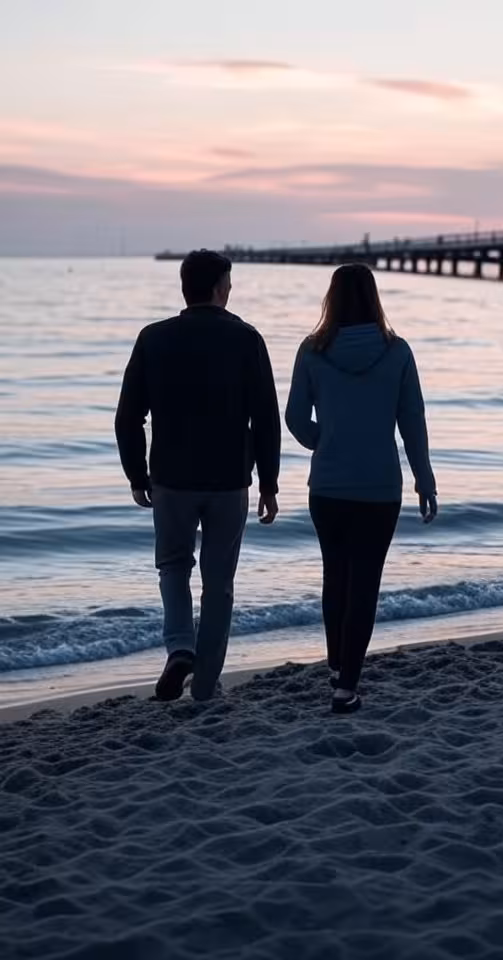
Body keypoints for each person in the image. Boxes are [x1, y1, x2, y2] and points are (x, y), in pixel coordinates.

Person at [115, 250, 280, 702]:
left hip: (170, 478)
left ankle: (180, 647)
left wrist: (136, 473)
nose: (231, 290)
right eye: (229, 282)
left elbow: (128, 416)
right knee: (218, 582)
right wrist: (269, 482)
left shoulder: (154, 338)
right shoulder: (247, 339)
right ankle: (205, 686)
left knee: (172, 566)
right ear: (218, 288)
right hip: (229, 479)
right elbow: (266, 417)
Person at [285, 263, 437, 714]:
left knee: (336, 577)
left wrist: (326, 442)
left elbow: (294, 419)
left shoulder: (312, 350)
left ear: (331, 298)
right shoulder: (398, 351)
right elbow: (412, 423)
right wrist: (424, 480)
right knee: (365, 583)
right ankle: (346, 684)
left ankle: (336, 668)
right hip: (379, 488)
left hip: (328, 486)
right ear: (374, 298)